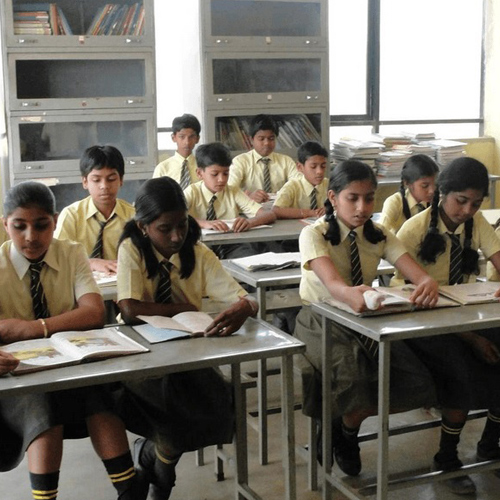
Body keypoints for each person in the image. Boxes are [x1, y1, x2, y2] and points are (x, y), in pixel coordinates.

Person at [115, 176, 259, 500]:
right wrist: (181, 308)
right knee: (175, 405)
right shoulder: (131, 249)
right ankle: (163, 476)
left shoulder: (197, 252)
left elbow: (240, 296)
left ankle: (152, 455)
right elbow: (129, 309)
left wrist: (247, 306)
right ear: (143, 227)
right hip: (141, 354)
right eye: (164, 229)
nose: (176, 236)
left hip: (189, 350)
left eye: (182, 225)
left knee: (217, 403)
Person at [294, 159, 439, 477]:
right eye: (353, 198)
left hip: (367, 317)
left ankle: (343, 425)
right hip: (321, 317)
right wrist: (352, 294)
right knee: (354, 380)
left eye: (369, 198)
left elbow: (416, 273)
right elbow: (335, 286)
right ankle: (345, 433)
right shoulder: (314, 234)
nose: (362, 207)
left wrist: (427, 282)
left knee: (418, 382)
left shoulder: (380, 234)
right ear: (333, 197)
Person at [0, 181, 143, 500]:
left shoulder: (71, 253)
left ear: (54, 221)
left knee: (97, 392)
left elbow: (93, 312)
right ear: (5, 224)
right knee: (42, 404)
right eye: (19, 226)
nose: (31, 237)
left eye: (41, 225)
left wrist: (29, 328)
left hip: (71, 365)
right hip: (15, 375)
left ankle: (128, 489)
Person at [394, 157, 500, 495]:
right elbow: (402, 292)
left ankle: (490, 444)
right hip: (422, 322)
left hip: (463, 316)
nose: (468, 210)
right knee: (460, 370)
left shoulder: (477, 223)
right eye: (461, 201)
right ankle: (447, 457)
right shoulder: (413, 229)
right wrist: (471, 338)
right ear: (441, 193)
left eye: (476, 203)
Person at [54, 145, 135, 276]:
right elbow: (57, 258)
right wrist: (91, 263)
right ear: (85, 182)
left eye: (111, 179)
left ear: (121, 180)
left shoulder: (133, 216)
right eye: (96, 180)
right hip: (79, 284)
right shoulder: (72, 215)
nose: (104, 186)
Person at [184, 142, 276, 233]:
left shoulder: (233, 191)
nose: (221, 179)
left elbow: (269, 215)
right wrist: (204, 223)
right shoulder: (192, 192)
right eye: (214, 174)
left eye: (226, 173)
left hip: (231, 241)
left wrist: (249, 222)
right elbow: (177, 215)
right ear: (199, 173)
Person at [228, 114, 300, 203]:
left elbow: (299, 185)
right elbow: (230, 189)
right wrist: (248, 196)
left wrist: (286, 193)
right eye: (261, 139)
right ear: (251, 140)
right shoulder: (240, 161)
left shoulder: (286, 161)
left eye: (271, 138)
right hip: (250, 209)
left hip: (279, 208)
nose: (266, 143)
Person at [379, 154, 439, 233]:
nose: (432, 190)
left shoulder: (437, 201)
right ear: (407, 183)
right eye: (425, 186)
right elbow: (381, 233)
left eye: (435, 184)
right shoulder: (394, 203)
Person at [273, 140, 329, 220]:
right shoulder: (292, 186)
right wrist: (309, 213)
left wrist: (330, 209)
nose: (319, 171)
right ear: (300, 167)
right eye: (313, 167)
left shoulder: (330, 185)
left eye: (323, 166)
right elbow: (276, 210)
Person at [152, 113, 201, 189]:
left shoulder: (203, 167)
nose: (187, 142)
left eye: (191, 137)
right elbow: (155, 194)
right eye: (182, 137)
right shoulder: (163, 168)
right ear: (173, 138)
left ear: (197, 139)